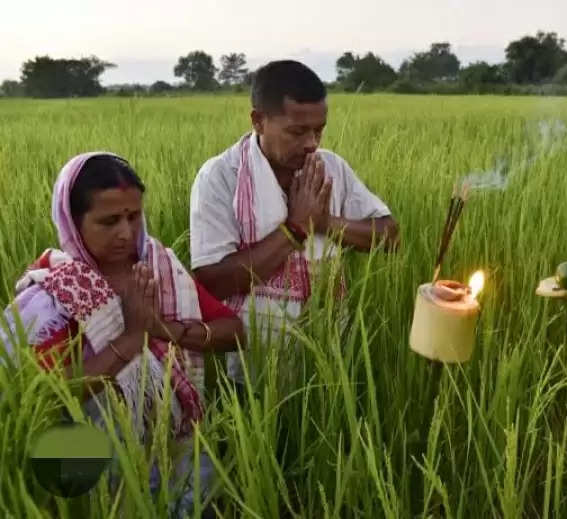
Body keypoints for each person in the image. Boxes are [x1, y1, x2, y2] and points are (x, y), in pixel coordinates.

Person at [0, 152, 245, 515]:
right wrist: (131, 339)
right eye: (109, 221)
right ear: (73, 222)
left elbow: (234, 331)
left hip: (176, 450)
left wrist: (167, 329)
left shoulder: (161, 269)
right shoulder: (56, 294)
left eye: (133, 216)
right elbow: (40, 395)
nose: (126, 233)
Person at [189, 60, 399, 383]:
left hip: (329, 356)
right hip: (252, 369)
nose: (312, 143)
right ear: (259, 121)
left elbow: (390, 236)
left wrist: (325, 222)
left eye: (319, 129)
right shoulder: (221, 177)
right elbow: (211, 280)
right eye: (297, 131)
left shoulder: (331, 169)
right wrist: (296, 229)